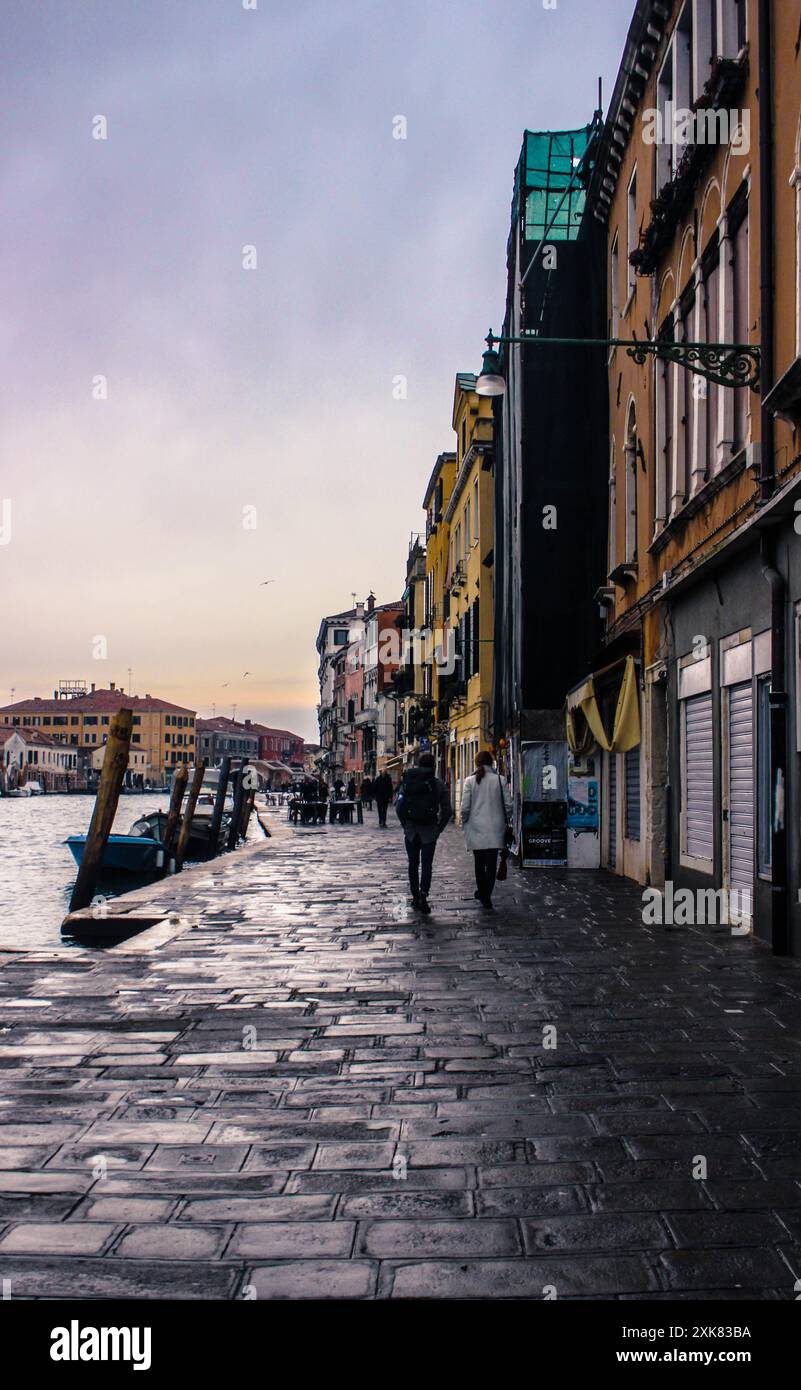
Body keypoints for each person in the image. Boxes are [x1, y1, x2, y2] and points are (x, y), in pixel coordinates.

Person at [395, 753, 451, 913]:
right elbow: (447, 810)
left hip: (411, 831)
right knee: (427, 865)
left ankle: (414, 896)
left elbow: (399, 806)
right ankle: (424, 895)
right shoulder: (438, 784)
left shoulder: (408, 782)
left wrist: (405, 824)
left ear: (418, 765)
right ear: (434, 766)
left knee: (413, 864)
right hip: (429, 831)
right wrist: (439, 828)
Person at [459, 750, 513, 910]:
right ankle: (486, 895)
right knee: (491, 864)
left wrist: (465, 822)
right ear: (491, 763)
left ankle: (482, 892)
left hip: (475, 828)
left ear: (476, 763)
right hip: (496, 828)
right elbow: (509, 806)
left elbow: (465, 808)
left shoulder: (469, 781)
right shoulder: (500, 780)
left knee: (478, 863)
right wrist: (505, 818)